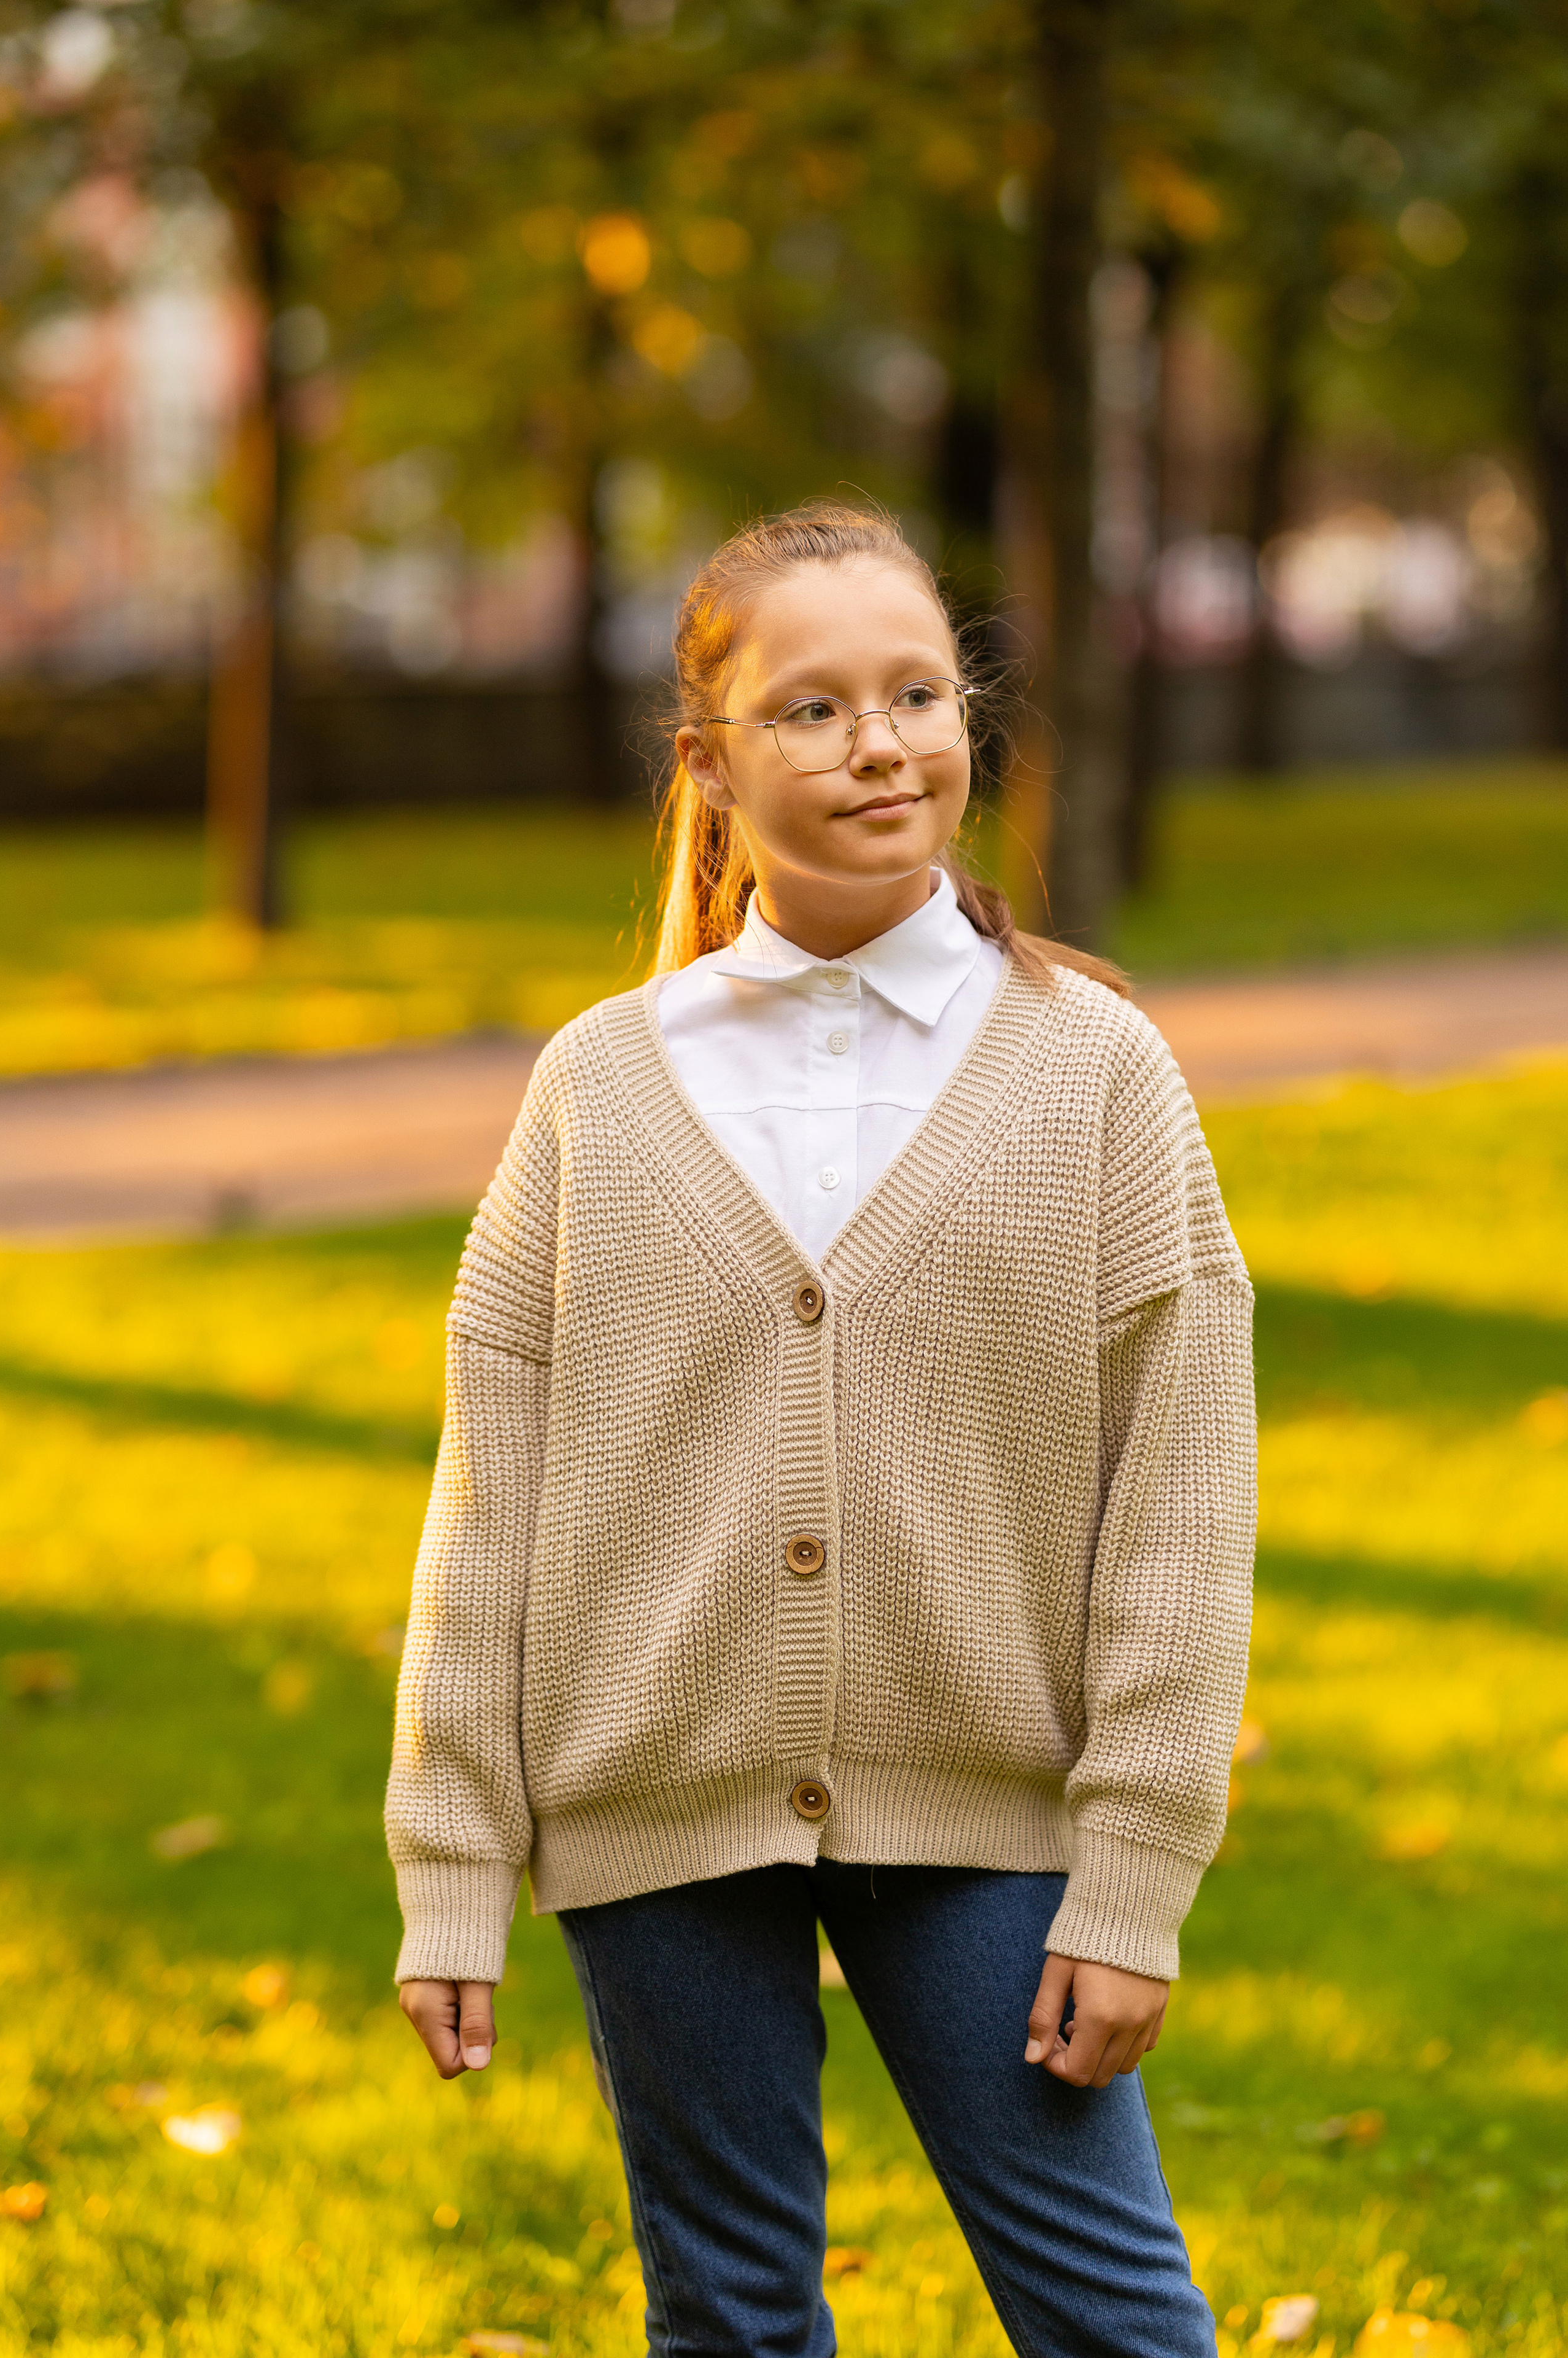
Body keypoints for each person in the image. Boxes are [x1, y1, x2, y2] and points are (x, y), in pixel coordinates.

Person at [387, 500, 1255, 2358]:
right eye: (814, 709)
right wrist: (451, 1860)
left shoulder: (1096, 1070)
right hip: (654, 1796)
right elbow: (492, 1501)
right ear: (709, 763)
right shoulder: (603, 1089)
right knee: (734, 2325)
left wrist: (1138, 1871)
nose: (882, 745)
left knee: (1119, 2322)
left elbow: (1179, 1496)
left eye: (921, 694)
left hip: (993, 1808)